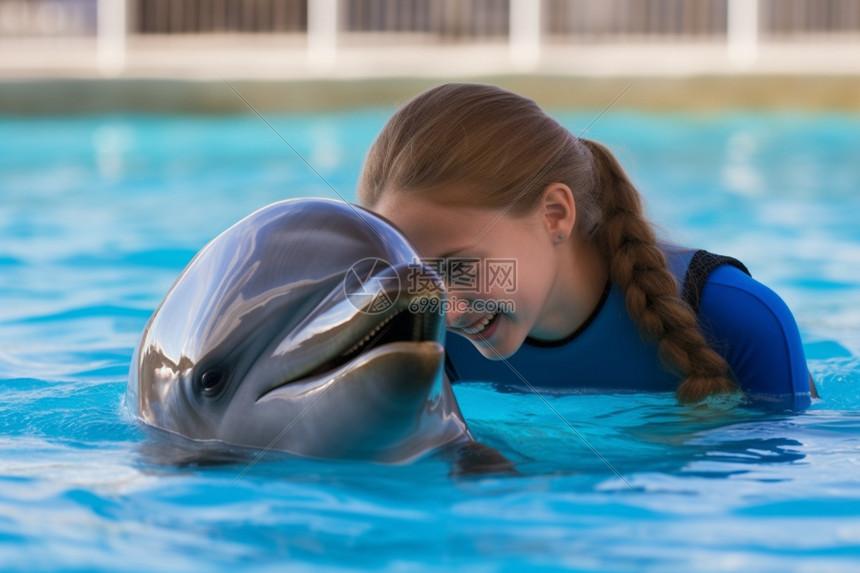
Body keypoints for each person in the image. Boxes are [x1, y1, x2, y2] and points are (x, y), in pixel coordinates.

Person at [357, 83, 816, 409]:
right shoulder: (429, 341)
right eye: (422, 276)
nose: (450, 310)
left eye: (459, 266)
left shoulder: (737, 319)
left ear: (555, 214)